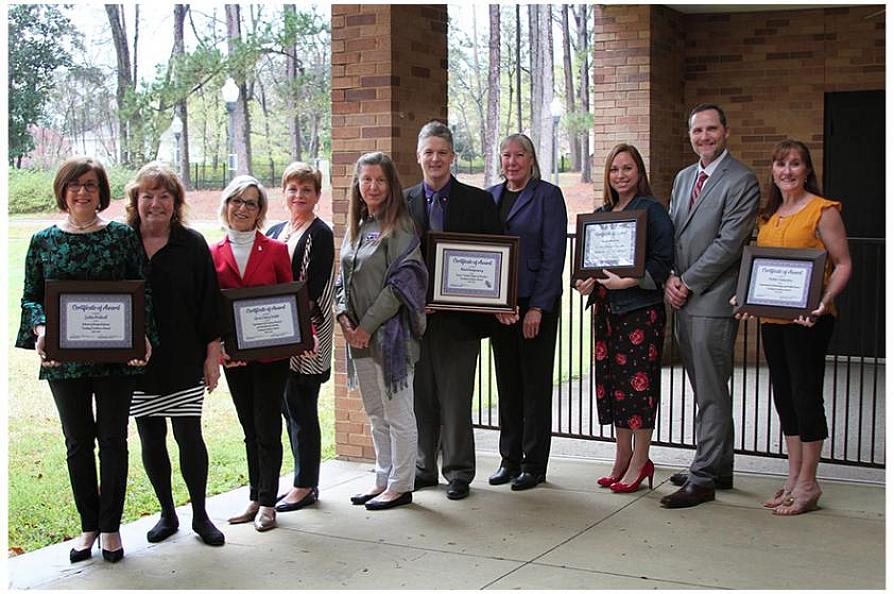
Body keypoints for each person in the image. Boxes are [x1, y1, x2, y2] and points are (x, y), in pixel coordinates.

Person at [15, 156, 154, 563]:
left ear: (101, 191)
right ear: (63, 190)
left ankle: (111, 528)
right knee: (77, 443)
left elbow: (141, 291)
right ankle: (87, 527)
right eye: (75, 185)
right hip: (65, 360)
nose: (82, 192)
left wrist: (143, 336)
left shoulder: (122, 237)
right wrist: (42, 329)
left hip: (116, 359)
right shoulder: (43, 240)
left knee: (113, 441)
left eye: (90, 185)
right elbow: (30, 296)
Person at [738, 140, 851, 515]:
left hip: (809, 321)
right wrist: (746, 298)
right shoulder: (768, 216)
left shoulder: (823, 211)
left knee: (806, 395)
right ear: (773, 170)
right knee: (784, 396)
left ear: (807, 170)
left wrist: (823, 301)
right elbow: (763, 269)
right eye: (781, 164)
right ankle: (792, 477)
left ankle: (809, 482)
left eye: (795, 164)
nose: (787, 170)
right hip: (773, 320)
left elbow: (844, 263)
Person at [661, 104, 760, 509]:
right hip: (683, 298)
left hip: (713, 300)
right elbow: (670, 230)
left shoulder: (742, 180)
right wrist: (669, 275)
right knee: (705, 388)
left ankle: (702, 479)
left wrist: (687, 281)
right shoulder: (685, 178)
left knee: (713, 390)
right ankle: (718, 465)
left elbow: (729, 243)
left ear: (726, 132)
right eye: (697, 130)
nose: (704, 136)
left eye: (711, 129)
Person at [125, 163, 225, 546]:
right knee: (151, 438)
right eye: (147, 195)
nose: (155, 203)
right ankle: (167, 513)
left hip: (184, 357)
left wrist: (212, 355)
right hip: (136, 362)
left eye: (164, 195)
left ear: (176, 202)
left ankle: (200, 515)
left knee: (189, 436)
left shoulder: (192, 243)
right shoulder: (122, 241)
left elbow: (208, 304)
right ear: (136, 200)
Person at [405, 121, 502, 500]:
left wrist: (496, 302)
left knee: (456, 397)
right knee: (420, 396)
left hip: (460, 320)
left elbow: (495, 258)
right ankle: (423, 467)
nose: (435, 159)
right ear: (419, 157)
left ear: (453, 157)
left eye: (442, 152)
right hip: (415, 320)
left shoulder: (478, 202)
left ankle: (459, 471)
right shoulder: (404, 201)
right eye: (428, 152)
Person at [574, 144, 674, 493]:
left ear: (639, 172)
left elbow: (663, 260)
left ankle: (640, 460)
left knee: (638, 387)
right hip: (607, 313)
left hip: (640, 312)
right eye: (615, 169)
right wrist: (584, 281)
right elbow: (587, 266)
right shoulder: (602, 213)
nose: (620, 175)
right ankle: (621, 457)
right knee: (615, 387)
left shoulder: (652, 211)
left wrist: (629, 280)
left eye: (627, 168)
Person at [334, 152, 428, 511]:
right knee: (375, 412)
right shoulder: (357, 226)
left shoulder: (400, 226)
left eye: (380, 180)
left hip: (391, 338)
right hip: (357, 336)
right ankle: (382, 478)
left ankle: (401, 485)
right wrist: (344, 319)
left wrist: (366, 326)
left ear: (391, 186)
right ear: (358, 185)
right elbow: (342, 279)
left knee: (398, 413)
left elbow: (402, 284)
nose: (372, 186)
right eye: (366, 179)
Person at [211, 175, 293, 531]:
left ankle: (269, 502)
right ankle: (254, 497)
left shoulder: (275, 250)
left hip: (272, 356)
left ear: (260, 211)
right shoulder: (212, 253)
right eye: (237, 201)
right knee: (248, 427)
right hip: (234, 356)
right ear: (226, 205)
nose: (243, 208)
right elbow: (210, 307)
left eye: (251, 203)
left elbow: (291, 301)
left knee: (267, 425)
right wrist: (224, 348)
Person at [486, 134, 568, 491]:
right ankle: (509, 458)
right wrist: (493, 304)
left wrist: (537, 306)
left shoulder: (548, 196)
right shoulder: (490, 197)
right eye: (506, 155)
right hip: (501, 309)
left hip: (535, 306)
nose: (512, 162)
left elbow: (554, 256)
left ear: (532, 159)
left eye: (519, 155)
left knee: (534, 387)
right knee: (508, 386)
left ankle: (534, 464)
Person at [266, 162, 335, 513]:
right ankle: (298, 479)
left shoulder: (320, 234)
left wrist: (297, 329)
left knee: (303, 409)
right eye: (292, 189)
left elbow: (314, 287)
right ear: (283, 193)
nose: (299, 195)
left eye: (306, 190)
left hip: (307, 336)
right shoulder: (276, 230)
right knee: (286, 409)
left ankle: (306, 484)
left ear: (317, 196)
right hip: (277, 335)